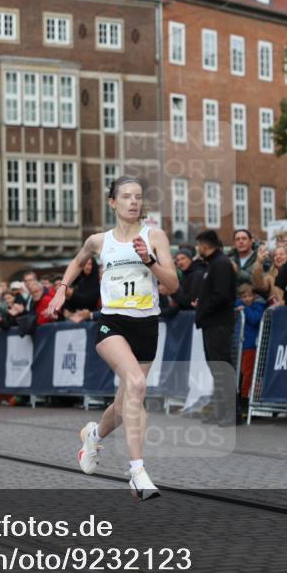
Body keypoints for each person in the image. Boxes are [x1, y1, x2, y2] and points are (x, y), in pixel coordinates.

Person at [46, 176, 178, 500]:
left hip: (146, 324)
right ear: (112, 202)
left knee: (124, 405)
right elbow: (77, 263)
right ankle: (137, 472)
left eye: (138, 197)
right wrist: (62, 290)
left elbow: (173, 285)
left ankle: (93, 434)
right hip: (112, 323)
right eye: (126, 196)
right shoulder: (99, 241)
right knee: (136, 385)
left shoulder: (155, 236)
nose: (134, 202)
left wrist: (150, 260)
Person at [194, 229, 238, 425]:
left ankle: (232, 413)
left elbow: (222, 295)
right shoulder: (214, 264)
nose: (198, 249)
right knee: (216, 370)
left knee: (223, 369)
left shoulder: (220, 264)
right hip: (211, 323)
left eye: (198, 245)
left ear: (204, 245)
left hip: (218, 323)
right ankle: (220, 411)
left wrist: (204, 309)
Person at [235, 284, 266, 417]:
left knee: (248, 374)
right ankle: (240, 400)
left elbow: (255, 320)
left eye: (249, 296)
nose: (246, 299)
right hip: (241, 345)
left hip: (251, 346)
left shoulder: (257, 307)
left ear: (254, 296)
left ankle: (246, 401)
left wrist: (245, 310)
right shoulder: (240, 304)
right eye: (244, 297)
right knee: (241, 373)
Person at [171, 245, 206, 309]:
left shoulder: (197, 274)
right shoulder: (185, 273)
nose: (180, 262)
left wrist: (172, 293)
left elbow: (191, 301)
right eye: (178, 260)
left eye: (183, 258)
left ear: (190, 259)